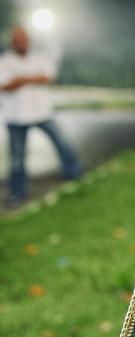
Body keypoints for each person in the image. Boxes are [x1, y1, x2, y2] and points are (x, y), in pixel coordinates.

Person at [0, 26, 81, 208]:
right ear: (12, 42)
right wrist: (31, 78)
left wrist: (21, 79)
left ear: (28, 40)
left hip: (42, 112)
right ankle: (17, 193)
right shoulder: (4, 61)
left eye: (23, 39)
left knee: (63, 143)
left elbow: (49, 77)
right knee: (17, 157)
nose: (20, 42)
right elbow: (5, 86)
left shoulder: (39, 56)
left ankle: (75, 175)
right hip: (16, 116)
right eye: (16, 40)